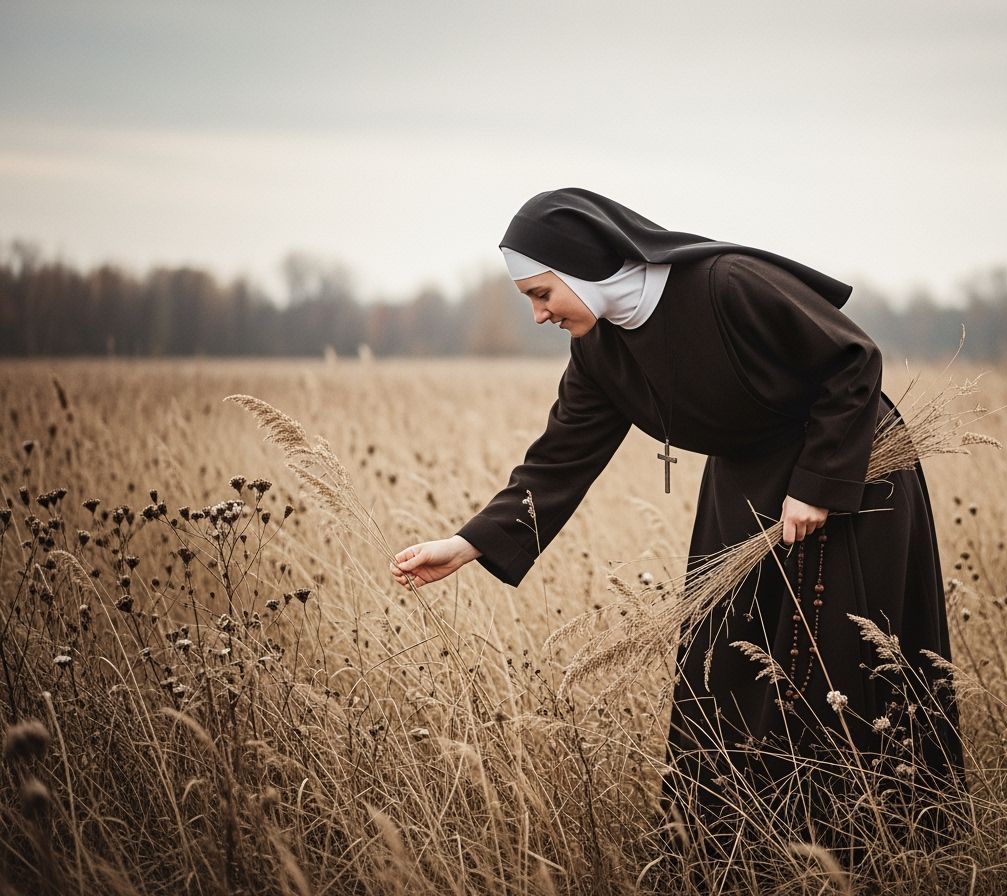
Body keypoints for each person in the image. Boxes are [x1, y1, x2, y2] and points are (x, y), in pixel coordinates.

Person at [390, 188, 966, 861]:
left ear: (583, 269)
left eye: (543, 294)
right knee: (723, 667)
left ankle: (868, 853)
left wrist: (816, 486)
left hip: (849, 472)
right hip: (742, 487)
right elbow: (558, 460)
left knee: (835, 665)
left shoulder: (726, 285)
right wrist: (467, 544)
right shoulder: (601, 352)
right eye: (530, 300)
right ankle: (733, 856)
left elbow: (852, 357)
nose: (540, 313)